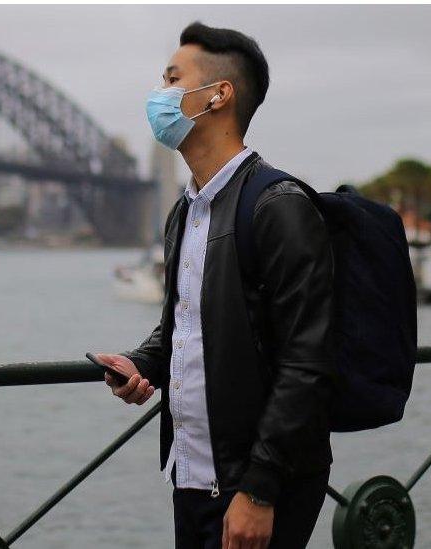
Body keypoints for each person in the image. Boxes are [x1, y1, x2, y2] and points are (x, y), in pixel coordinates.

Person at [95, 22, 335, 549]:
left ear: (217, 96)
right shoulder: (187, 210)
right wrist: (141, 363)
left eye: (173, 79)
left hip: (256, 487)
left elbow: (307, 361)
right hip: (193, 477)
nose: (159, 94)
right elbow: (185, 324)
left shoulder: (278, 207)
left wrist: (261, 490)